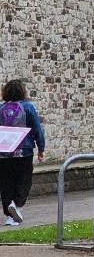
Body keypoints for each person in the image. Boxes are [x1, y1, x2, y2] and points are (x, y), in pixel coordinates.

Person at [1, 79, 44, 224]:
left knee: (6, 182)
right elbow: (37, 129)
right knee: (24, 180)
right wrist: (41, 148)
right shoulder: (28, 108)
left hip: (4, 152)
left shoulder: (1, 109)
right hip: (23, 151)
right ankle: (17, 205)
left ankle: (9, 216)